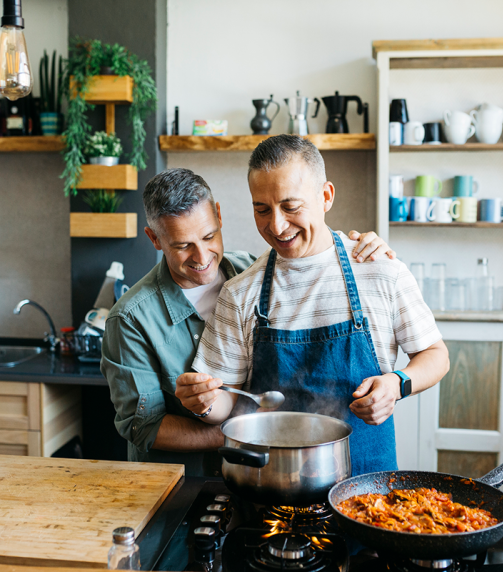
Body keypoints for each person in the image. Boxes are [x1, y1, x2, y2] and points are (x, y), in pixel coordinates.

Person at [179, 135, 450, 476]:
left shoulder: (381, 270)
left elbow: (436, 355)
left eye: (291, 207)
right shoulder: (240, 292)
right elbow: (226, 401)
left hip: (367, 488)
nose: (276, 225)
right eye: (262, 209)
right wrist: (202, 403)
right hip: (273, 484)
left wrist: (397, 384)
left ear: (325, 197)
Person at [101, 167, 395, 476]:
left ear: (218, 215)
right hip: (180, 485)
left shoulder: (254, 272)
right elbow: (144, 427)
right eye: (182, 245)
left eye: (208, 236)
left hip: (260, 479)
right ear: (154, 239)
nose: (202, 256)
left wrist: (362, 250)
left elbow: (317, 264)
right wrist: (251, 435)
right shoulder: (130, 319)